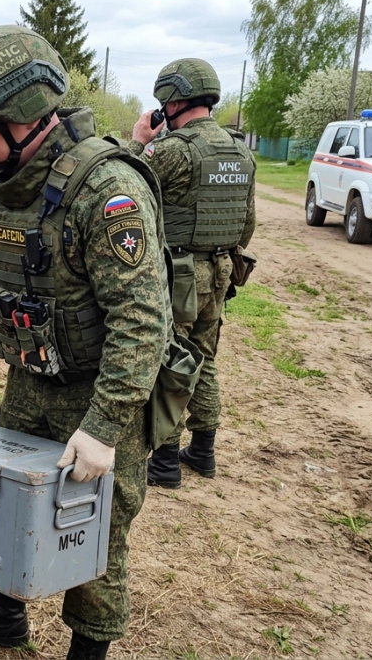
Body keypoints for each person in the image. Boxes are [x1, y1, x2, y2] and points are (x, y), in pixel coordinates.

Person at [0, 25, 171, 660]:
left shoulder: (106, 192)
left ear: (24, 116)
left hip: (98, 392)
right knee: (4, 505)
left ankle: (87, 652)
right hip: (28, 379)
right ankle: (4, 618)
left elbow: (141, 321)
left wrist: (103, 427)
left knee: (95, 531)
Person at [125, 58, 256, 489]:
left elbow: (122, 184)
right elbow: (248, 223)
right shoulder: (240, 151)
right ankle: (203, 450)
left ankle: (164, 460)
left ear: (173, 101)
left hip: (181, 272)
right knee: (205, 355)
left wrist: (138, 142)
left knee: (172, 360)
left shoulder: (173, 150)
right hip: (223, 268)